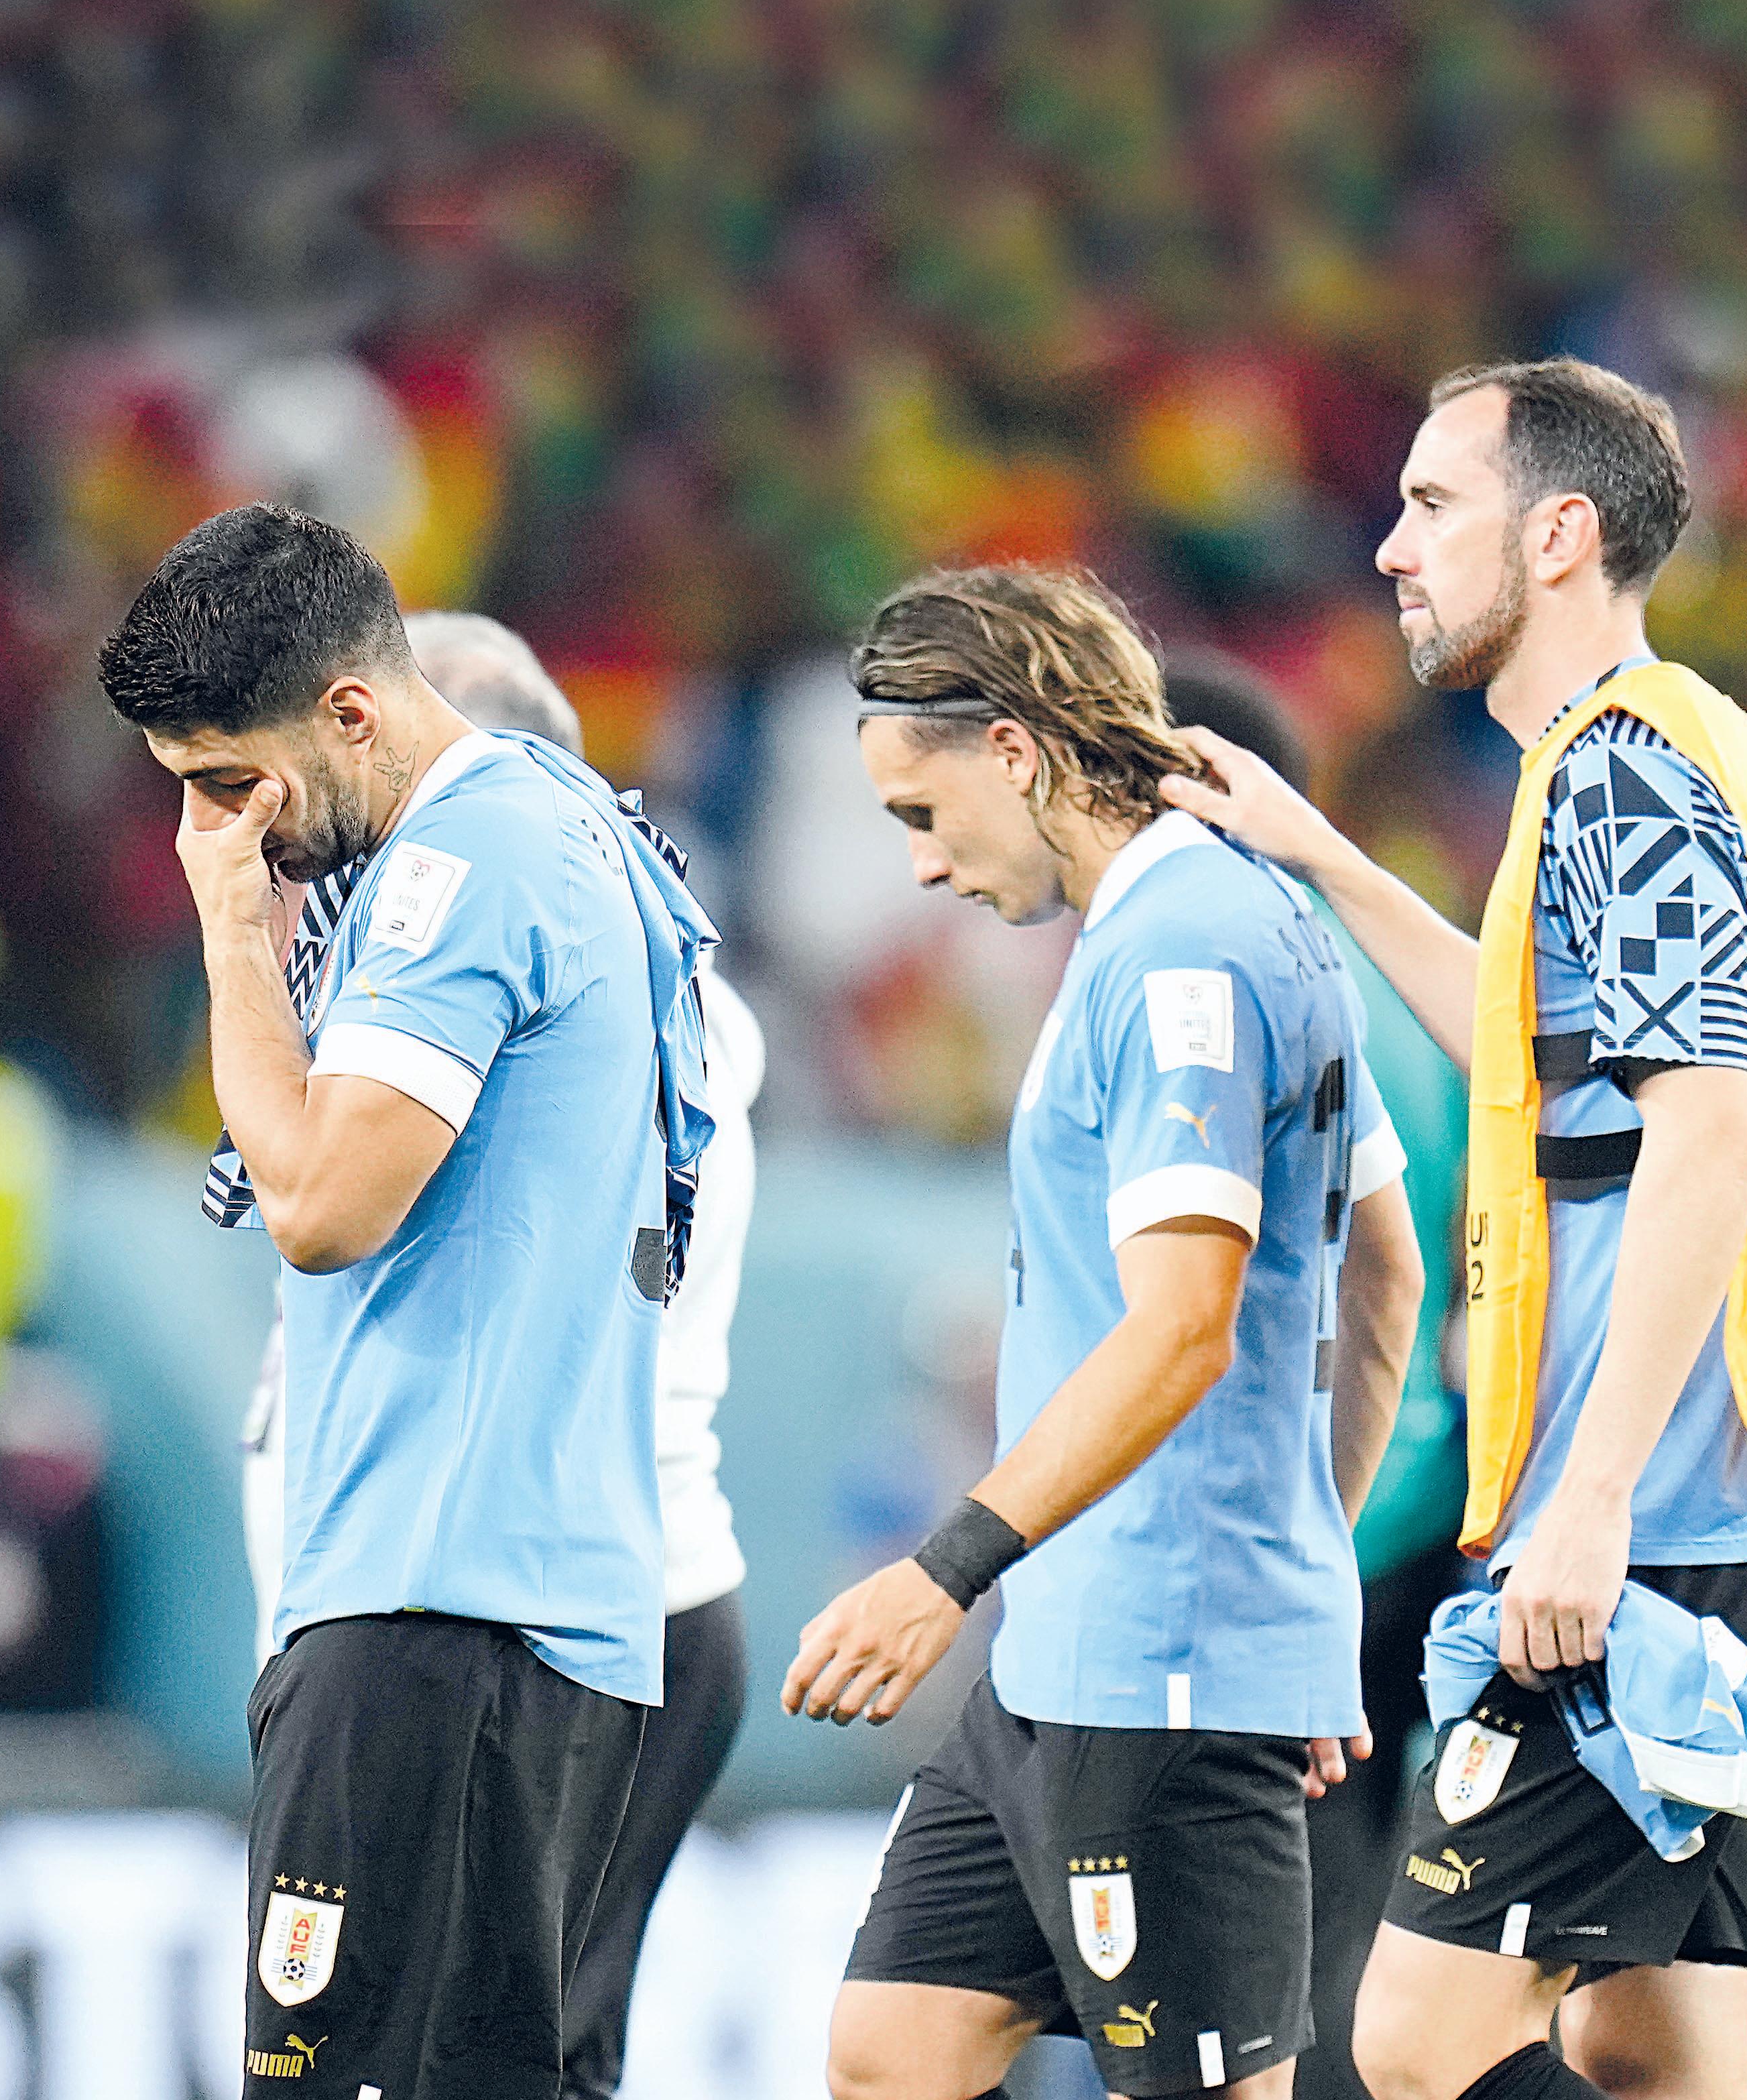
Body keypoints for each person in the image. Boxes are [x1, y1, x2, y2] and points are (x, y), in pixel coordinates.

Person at [1156, 359, 1747, 2100]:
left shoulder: (1622, 780)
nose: (1390, 547)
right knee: (1648, 2046)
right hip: (1714, 1506)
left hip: (1657, 1527)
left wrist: (1589, 1503)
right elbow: (1541, 1071)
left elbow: (1711, 1134)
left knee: (1411, 2043)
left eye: (1432, 504)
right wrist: (1328, 857)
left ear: (1558, 533)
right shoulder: (1646, 758)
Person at [784, 564, 1427, 2100]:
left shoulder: (1179, 952)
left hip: (1161, 1659)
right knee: (891, 2050)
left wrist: (942, 1569)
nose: (922, 864)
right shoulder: (1224, 922)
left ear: (1012, 751)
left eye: (921, 813)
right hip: (1078, 1650)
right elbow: (1383, 1271)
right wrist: (1304, 1590)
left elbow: (1183, 1325)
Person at [97, 503, 714, 2099]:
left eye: (228, 782)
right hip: (520, 1611)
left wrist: (233, 935)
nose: (212, 829)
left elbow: (317, 1204)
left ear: (351, 710)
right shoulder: (565, 822)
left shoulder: (461, 863)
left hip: (435, 1612)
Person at [228, 606, 756, 2100]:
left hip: (473, 1598)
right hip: (487, 1592)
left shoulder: (517, 940)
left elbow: (323, 1211)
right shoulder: (587, 960)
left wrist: (235, 938)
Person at [1162, 655, 1469, 2100]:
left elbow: (1369, 1282)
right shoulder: (1390, 979)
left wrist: (1309, 1550)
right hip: (1414, 1508)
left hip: (1317, 1521)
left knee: (1267, 1977)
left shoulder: (1254, 990)